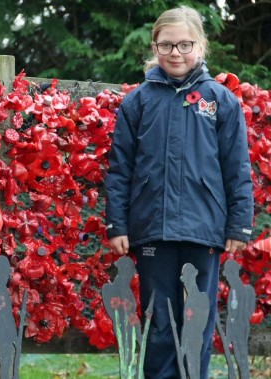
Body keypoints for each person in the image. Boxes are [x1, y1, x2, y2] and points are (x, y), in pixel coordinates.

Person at [104, 6, 253, 379]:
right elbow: (121, 169)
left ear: (200, 46)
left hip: (204, 230)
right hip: (152, 229)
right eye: (166, 45)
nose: (175, 53)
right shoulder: (137, 101)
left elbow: (236, 168)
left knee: (196, 323)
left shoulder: (221, 101)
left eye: (184, 44)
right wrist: (117, 224)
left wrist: (238, 226)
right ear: (154, 48)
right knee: (158, 323)